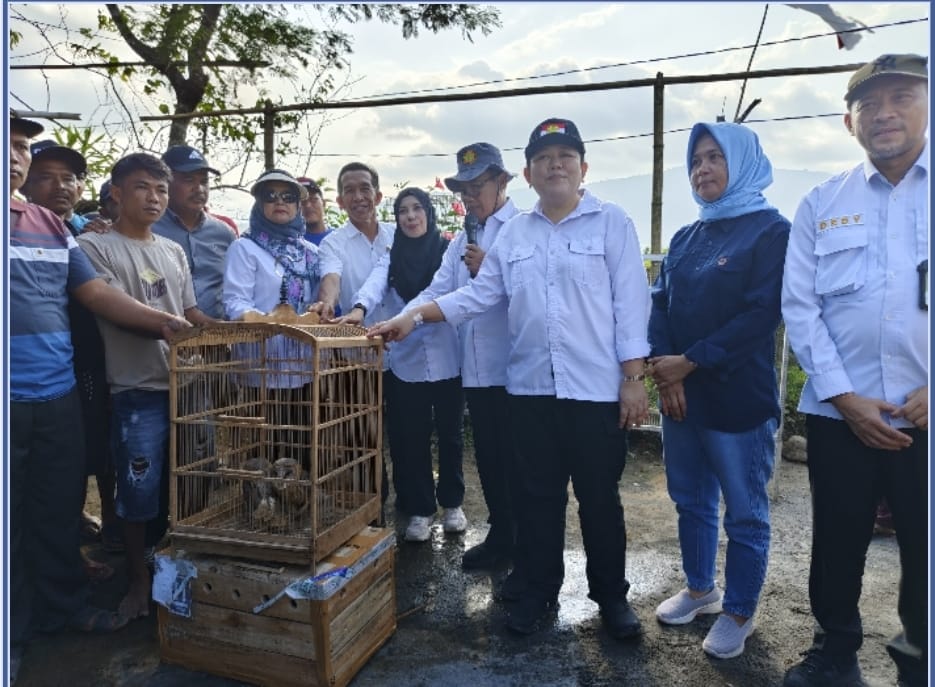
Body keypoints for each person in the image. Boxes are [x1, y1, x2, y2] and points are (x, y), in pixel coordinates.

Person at [368, 118, 650, 640]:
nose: (555, 165)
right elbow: (478, 295)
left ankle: (611, 597)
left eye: (565, 157)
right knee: (538, 498)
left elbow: (631, 304)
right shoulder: (517, 234)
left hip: (593, 392)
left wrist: (634, 377)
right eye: (544, 158)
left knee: (599, 500)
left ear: (583, 167)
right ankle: (539, 591)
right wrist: (413, 317)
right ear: (528, 173)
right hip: (530, 391)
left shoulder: (612, 223)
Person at [9, 115, 190, 684]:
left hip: (56, 389)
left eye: (21, 146)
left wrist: (166, 324)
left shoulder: (49, 225)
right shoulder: (92, 236)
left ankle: (62, 610)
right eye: (6, 145)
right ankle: (11, 632)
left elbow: (95, 293)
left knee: (56, 508)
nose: (15, 155)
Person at [781, 54, 928, 687]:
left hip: (928, 414)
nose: (884, 113)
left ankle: (921, 659)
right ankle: (834, 651)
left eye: (901, 97)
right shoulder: (822, 201)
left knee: (927, 550)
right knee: (837, 543)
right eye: (869, 103)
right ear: (850, 121)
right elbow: (800, 306)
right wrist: (844, 397)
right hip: (841, 417)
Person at [648, 122, 790, 659]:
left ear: (742, 162)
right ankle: (700, 589)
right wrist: (665, 369)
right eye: (695, 160)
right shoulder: (688, 236)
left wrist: (690, 362)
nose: (702, 169)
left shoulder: (770, 231)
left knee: (745, 511)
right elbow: (659, 302)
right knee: (691, 500)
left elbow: (762, 314)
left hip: (737, 400)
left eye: (714, 157)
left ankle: (739, 611)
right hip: (683, 396)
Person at [77, 153, 214, 622]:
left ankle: (184, 570)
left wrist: (236, 331)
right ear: (116, 192)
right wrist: (168, 324)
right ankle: (137, 580)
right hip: (137, 390)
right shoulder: (94, 246)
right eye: (142, 187)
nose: (154, 198)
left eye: (161, 189)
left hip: (189, 383)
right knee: (138, 493)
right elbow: (112, 306)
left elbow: (191, 314)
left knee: (195, 480)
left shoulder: (172, 251)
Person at [404, 143, 521, 567]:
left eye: (477, 187)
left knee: (517, 463)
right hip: (476, 370)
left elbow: (532, 293)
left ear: (502, 181)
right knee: (487, 459)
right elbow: (439, 288)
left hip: (514, 371)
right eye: (463, 189)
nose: (469, 197)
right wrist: (402, 318)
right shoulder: (461, 240)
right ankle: (501, 537)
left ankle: (524, 548)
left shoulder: (522, 228)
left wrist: (492, 268)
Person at [340, 188, 465, 542]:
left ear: (428, 213)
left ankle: (453, 503)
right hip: (406, 361)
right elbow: (374, 285)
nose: (410, 217)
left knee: (451, 436)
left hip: (448, 359)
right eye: (403, 211)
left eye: (417, 209)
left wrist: (405, 317)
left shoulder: (447, 252)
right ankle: (421, 509)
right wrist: (359, 309)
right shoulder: (392, 256)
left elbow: (449, 293)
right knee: (412, 439)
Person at [21, 139, 123, 575]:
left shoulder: (82, 231)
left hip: (89, 362)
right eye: (46, 177)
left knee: (93, 450)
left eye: (69, 178)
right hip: (44, 374)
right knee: (58, 472)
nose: (60, 186)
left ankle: (86, 543)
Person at [153, 144, 235, 320]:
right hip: (161, 331)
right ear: (165, 183)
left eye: (204, 181)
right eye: (189, 180)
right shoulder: (148, 228)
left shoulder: (224, 234)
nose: (199, 189)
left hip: (219, 332)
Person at [315, 162, 395, 323]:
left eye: (365, 189)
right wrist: (327, 303)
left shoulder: (398, 236)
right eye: (350, 191)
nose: (358, 197)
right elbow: (331, 277)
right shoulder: (332, 244)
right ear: (340, 202)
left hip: (406, 337)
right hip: (359, 337)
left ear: (378, 197)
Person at [297, 175, 334, 246]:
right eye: (302, 202)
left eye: (313, 199)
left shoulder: (340, 238)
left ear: (323, 203)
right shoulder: (293, 243)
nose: (308, 205)